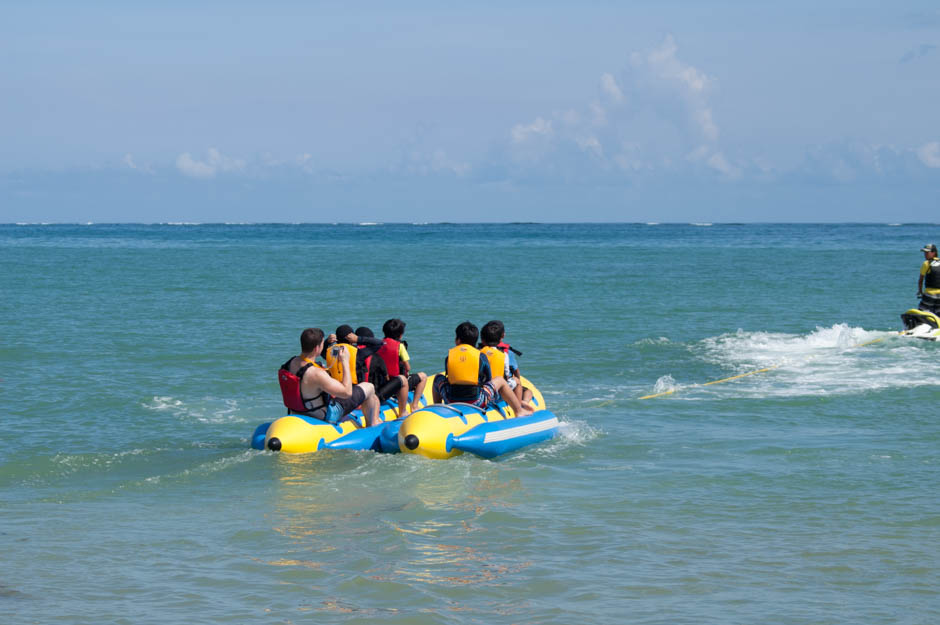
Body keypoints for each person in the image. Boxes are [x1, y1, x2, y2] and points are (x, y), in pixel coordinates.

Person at [277, 327, 381, 426]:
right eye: (322, 343)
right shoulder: (316, 373)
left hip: (296, 411)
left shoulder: (288, 364)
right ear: (317, 348)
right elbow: (347, 393)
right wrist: (345, 362)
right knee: (369, 387)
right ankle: (371, 424)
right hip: (322, 416)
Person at [432, 321, 534, 416]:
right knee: (499, 380)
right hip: (476, 401)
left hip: (451, 399)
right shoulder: (480, 356)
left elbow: (449, 378)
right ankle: (519, 411)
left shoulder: (449, 356)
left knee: (438, 378)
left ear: (457, 340)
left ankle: (438, 409)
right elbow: (488, 380)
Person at [377, 318, 428, 414]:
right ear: (400, 335)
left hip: (382, 384)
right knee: (423, 376)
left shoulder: (378, 344)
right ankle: (414, 406)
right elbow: (408, 367)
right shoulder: (400, 346)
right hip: (398, 383)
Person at [479, 320, 532, 404]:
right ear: (503, 335)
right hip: (498, 391)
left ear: (482, 339)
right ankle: (519, 406)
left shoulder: (478, 352)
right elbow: (512, 373)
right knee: (525, 388)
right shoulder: (505, 353)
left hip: (481, 389)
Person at [917, 243, 940, 314]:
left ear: (934, 253)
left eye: (927, 252)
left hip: (930, 295)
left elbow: (920, 281)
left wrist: (920, 292)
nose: (925, 254)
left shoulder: (926, 263)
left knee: (921, 312)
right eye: (925, 252)